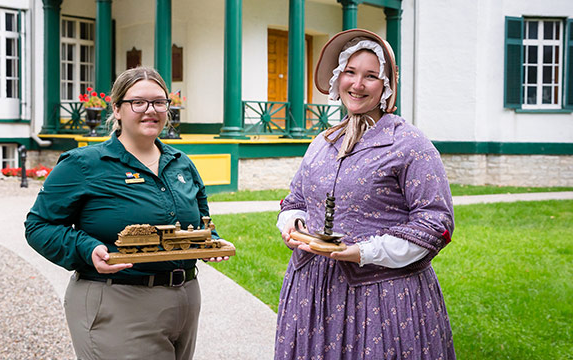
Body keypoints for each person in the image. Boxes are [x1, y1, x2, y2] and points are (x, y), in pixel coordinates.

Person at [25, 66, 230, 360]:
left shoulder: (181, 163)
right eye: (138, 102)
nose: (151, 110)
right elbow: (38, 225)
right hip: (118, 300)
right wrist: (87, 248)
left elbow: (199, 220)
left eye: (160, 102)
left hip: (184, 299)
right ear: (117, 109)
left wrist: (211, 243)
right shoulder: (84, 164)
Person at [275, 29, 456, 359]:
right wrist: (294, 226)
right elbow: (296, 199)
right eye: (350, 72)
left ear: (385, 85)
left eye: (371, 76)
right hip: (312, 292)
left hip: (382, 297)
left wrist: (362, 251)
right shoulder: (322, 143)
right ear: (337, 78)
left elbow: (435, 223)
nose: (357, 85)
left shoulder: (410, 144)